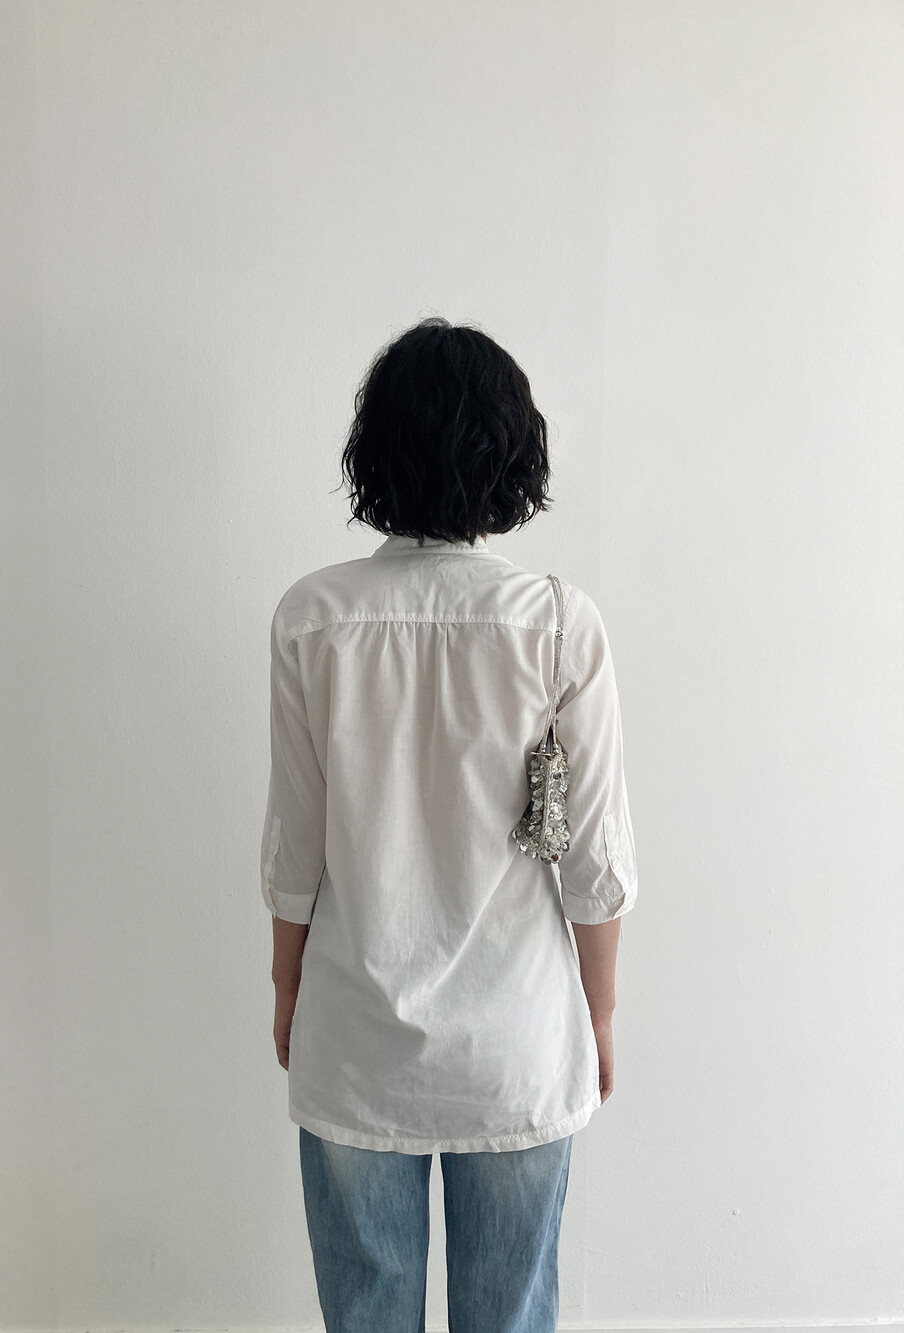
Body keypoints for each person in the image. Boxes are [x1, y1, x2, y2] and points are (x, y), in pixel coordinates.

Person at [259, 316, 639, 1333]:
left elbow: (296, 843)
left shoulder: (312, 618)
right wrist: (598, 1013)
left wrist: (287, 984)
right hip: (518, 1036)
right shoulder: (559, 623)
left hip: (355, 1030)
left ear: (375, 451)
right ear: (513, 453)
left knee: (364, 1314)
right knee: (510, 1317)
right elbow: (593, 859)